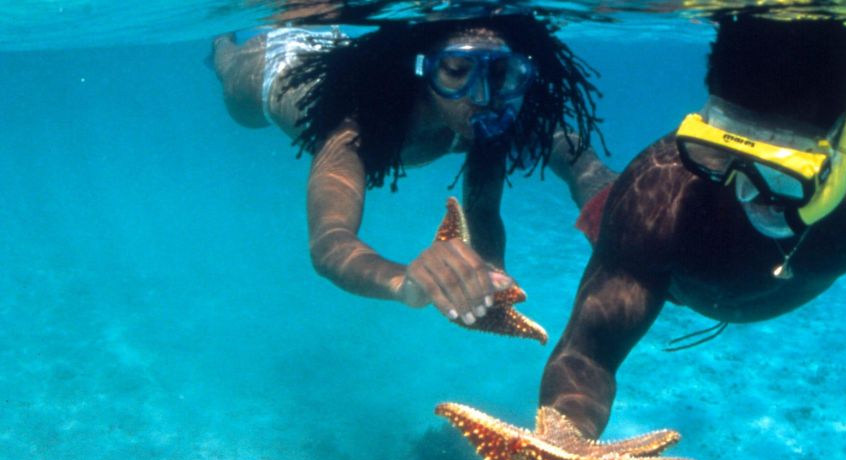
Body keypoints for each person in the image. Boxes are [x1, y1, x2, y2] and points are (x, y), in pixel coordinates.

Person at [442, 11, 846, 460]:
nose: (741, 192)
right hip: (662, 262)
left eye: (780, 175)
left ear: (845, 150)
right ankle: (565, 147)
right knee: (597, 187)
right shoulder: (660, 194)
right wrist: (564, 450)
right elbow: (589, 352)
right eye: (714, 155)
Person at [212, 14, 616, 327]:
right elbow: (330, 244)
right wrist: (404, 281)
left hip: (333, 49)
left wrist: (490, 270)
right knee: (230, 76)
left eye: (500, 74)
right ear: (422, 70)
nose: (483, 97)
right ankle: (220, 43)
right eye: (457, 71)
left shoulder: (486, 118)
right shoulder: (355, 126)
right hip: (270, 69)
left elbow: (487, 209)